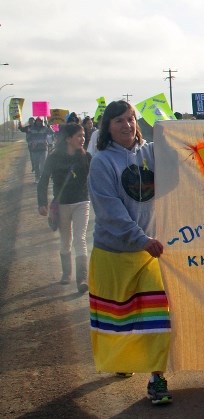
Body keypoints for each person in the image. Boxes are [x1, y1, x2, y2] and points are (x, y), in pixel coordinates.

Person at [87, 100, 173, 405]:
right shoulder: (102, 162)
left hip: (149, 254)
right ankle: (123, 360)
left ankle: (156, 379)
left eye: (131, 119)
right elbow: (109, 211)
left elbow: (177, 168)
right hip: (114, 254)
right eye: (119, 121)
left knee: (157, 319)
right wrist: (140, 238)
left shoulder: (148, 153)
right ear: (108, 127)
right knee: (119, 319)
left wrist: (176, 132)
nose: (127, 125)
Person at [37, 123, 92, 292]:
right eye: (79, 136)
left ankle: (82, 278)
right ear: (68, 139)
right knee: (65, 239)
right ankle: (67, 273)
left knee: (80, 238)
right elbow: (43, 180)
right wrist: (42, 203)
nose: (82, 139)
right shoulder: (54, 158)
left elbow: (96, 180)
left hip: (82, 202)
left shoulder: (86, 157)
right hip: (62, 205)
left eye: (83, 136)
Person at [20, 117, 54, 182]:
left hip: (43, 149)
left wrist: (48, 126)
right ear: (36, 122)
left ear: (42, 122)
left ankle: (42, 177)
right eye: (37, 121)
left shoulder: (45, 128)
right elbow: (28, 138)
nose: (39, 122)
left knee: (43, 164)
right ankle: (37, 177)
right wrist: (31, 143)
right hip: (34, 149)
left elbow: (52, 133)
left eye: (40, 121)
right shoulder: (31, 129)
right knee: (36, 164)